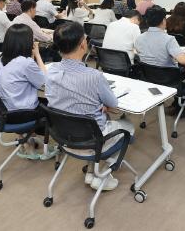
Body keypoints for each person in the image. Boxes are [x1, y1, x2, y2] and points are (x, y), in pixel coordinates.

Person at [45, 22, 134, 191]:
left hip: (64, 138)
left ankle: (92, 171)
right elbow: (114, 105)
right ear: (83, 44)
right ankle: (103, 174)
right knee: (128, 126)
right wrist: (103, 105)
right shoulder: (94, 76)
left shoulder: (52, 72)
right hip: (93, 140)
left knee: (85, 119)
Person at [0, 24, 50, 160]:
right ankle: (43, 144)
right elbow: (44, 80)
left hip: (4, 111)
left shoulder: (2, 59)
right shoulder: (25, 63)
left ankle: (26, 138)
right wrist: (37, 54)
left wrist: (31, 57)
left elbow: (24, 74)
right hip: (21, 114)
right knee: (52, 106)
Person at [135, 5, 185, 115]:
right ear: (164, 21)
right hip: (169, 79)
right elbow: (183, 60)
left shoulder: (139, 38)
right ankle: (180, 106)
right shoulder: (168, 39)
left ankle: (175, 104)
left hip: (149, 77)